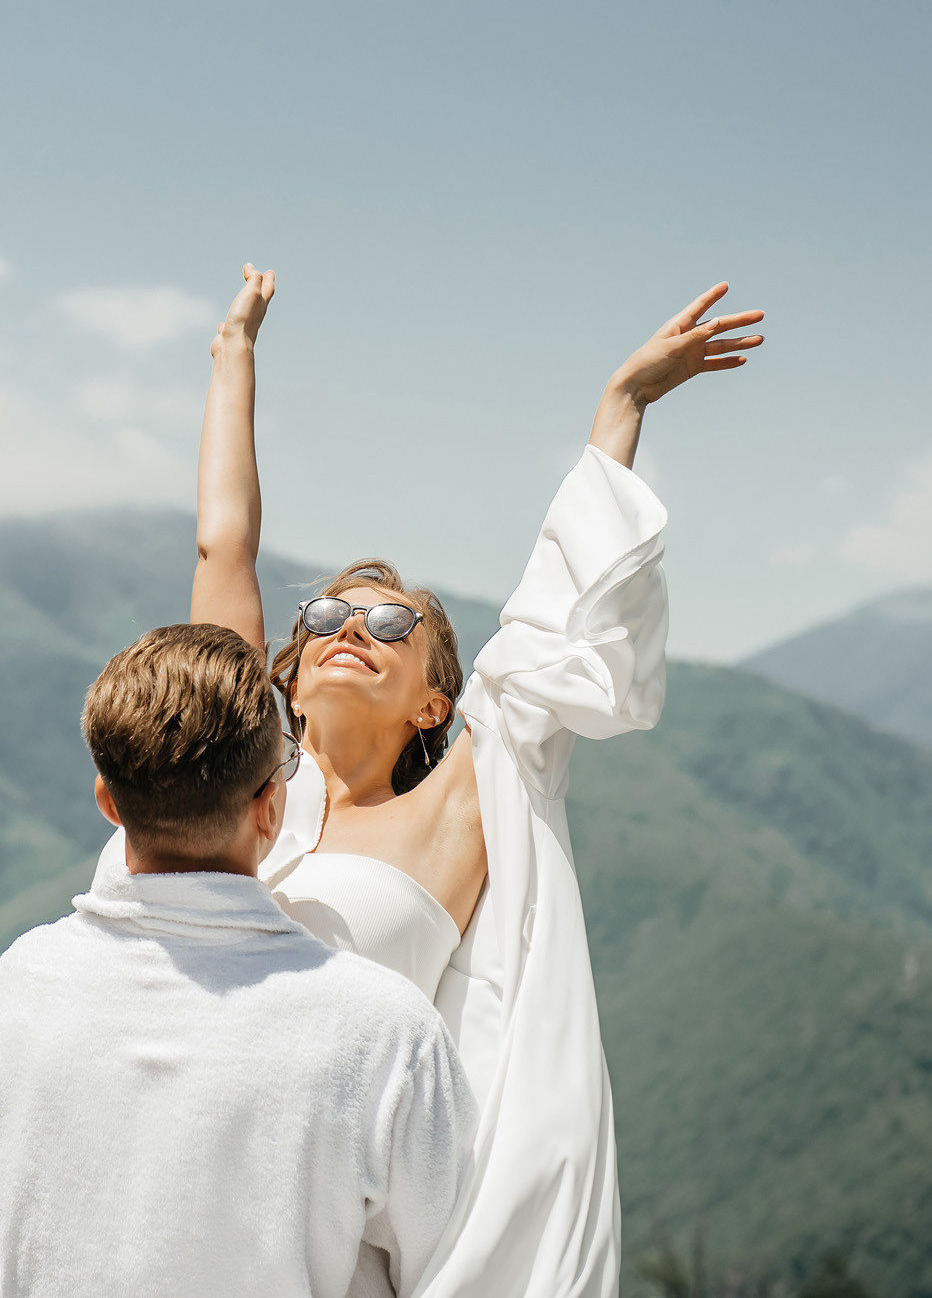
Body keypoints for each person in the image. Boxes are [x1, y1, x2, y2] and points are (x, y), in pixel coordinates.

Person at [164, 264, 765, 1298]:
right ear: (287, 677)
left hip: (328, 1230)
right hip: (191, 1184)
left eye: (391, 623)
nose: (352, 627)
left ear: (433, 703)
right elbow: (224, 547)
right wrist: (232, 356)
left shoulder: (462, 801)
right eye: (325, 616)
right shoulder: (237, 788)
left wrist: (620, 405)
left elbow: (555, 618)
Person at [0, 623, 476, 1298]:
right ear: (270, 809)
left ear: (108, 802)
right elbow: (447, 1262)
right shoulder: (384, 1030)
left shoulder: (23, 981)